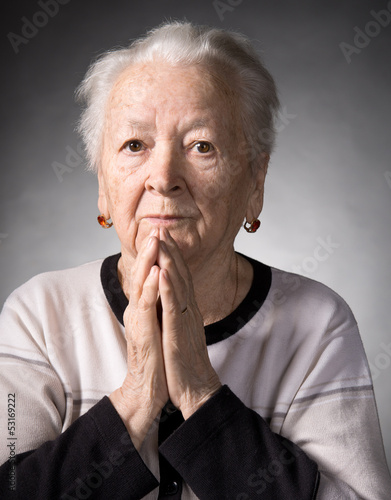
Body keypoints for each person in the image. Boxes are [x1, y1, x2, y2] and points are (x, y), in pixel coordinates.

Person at [0, 20, 389, 500]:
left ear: (254, 181)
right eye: (134, 145)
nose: (163, 177)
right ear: (103, 185)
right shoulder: (39, 314)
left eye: (201, 146)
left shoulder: (318, 324)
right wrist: (138, 396)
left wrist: (202, 394)